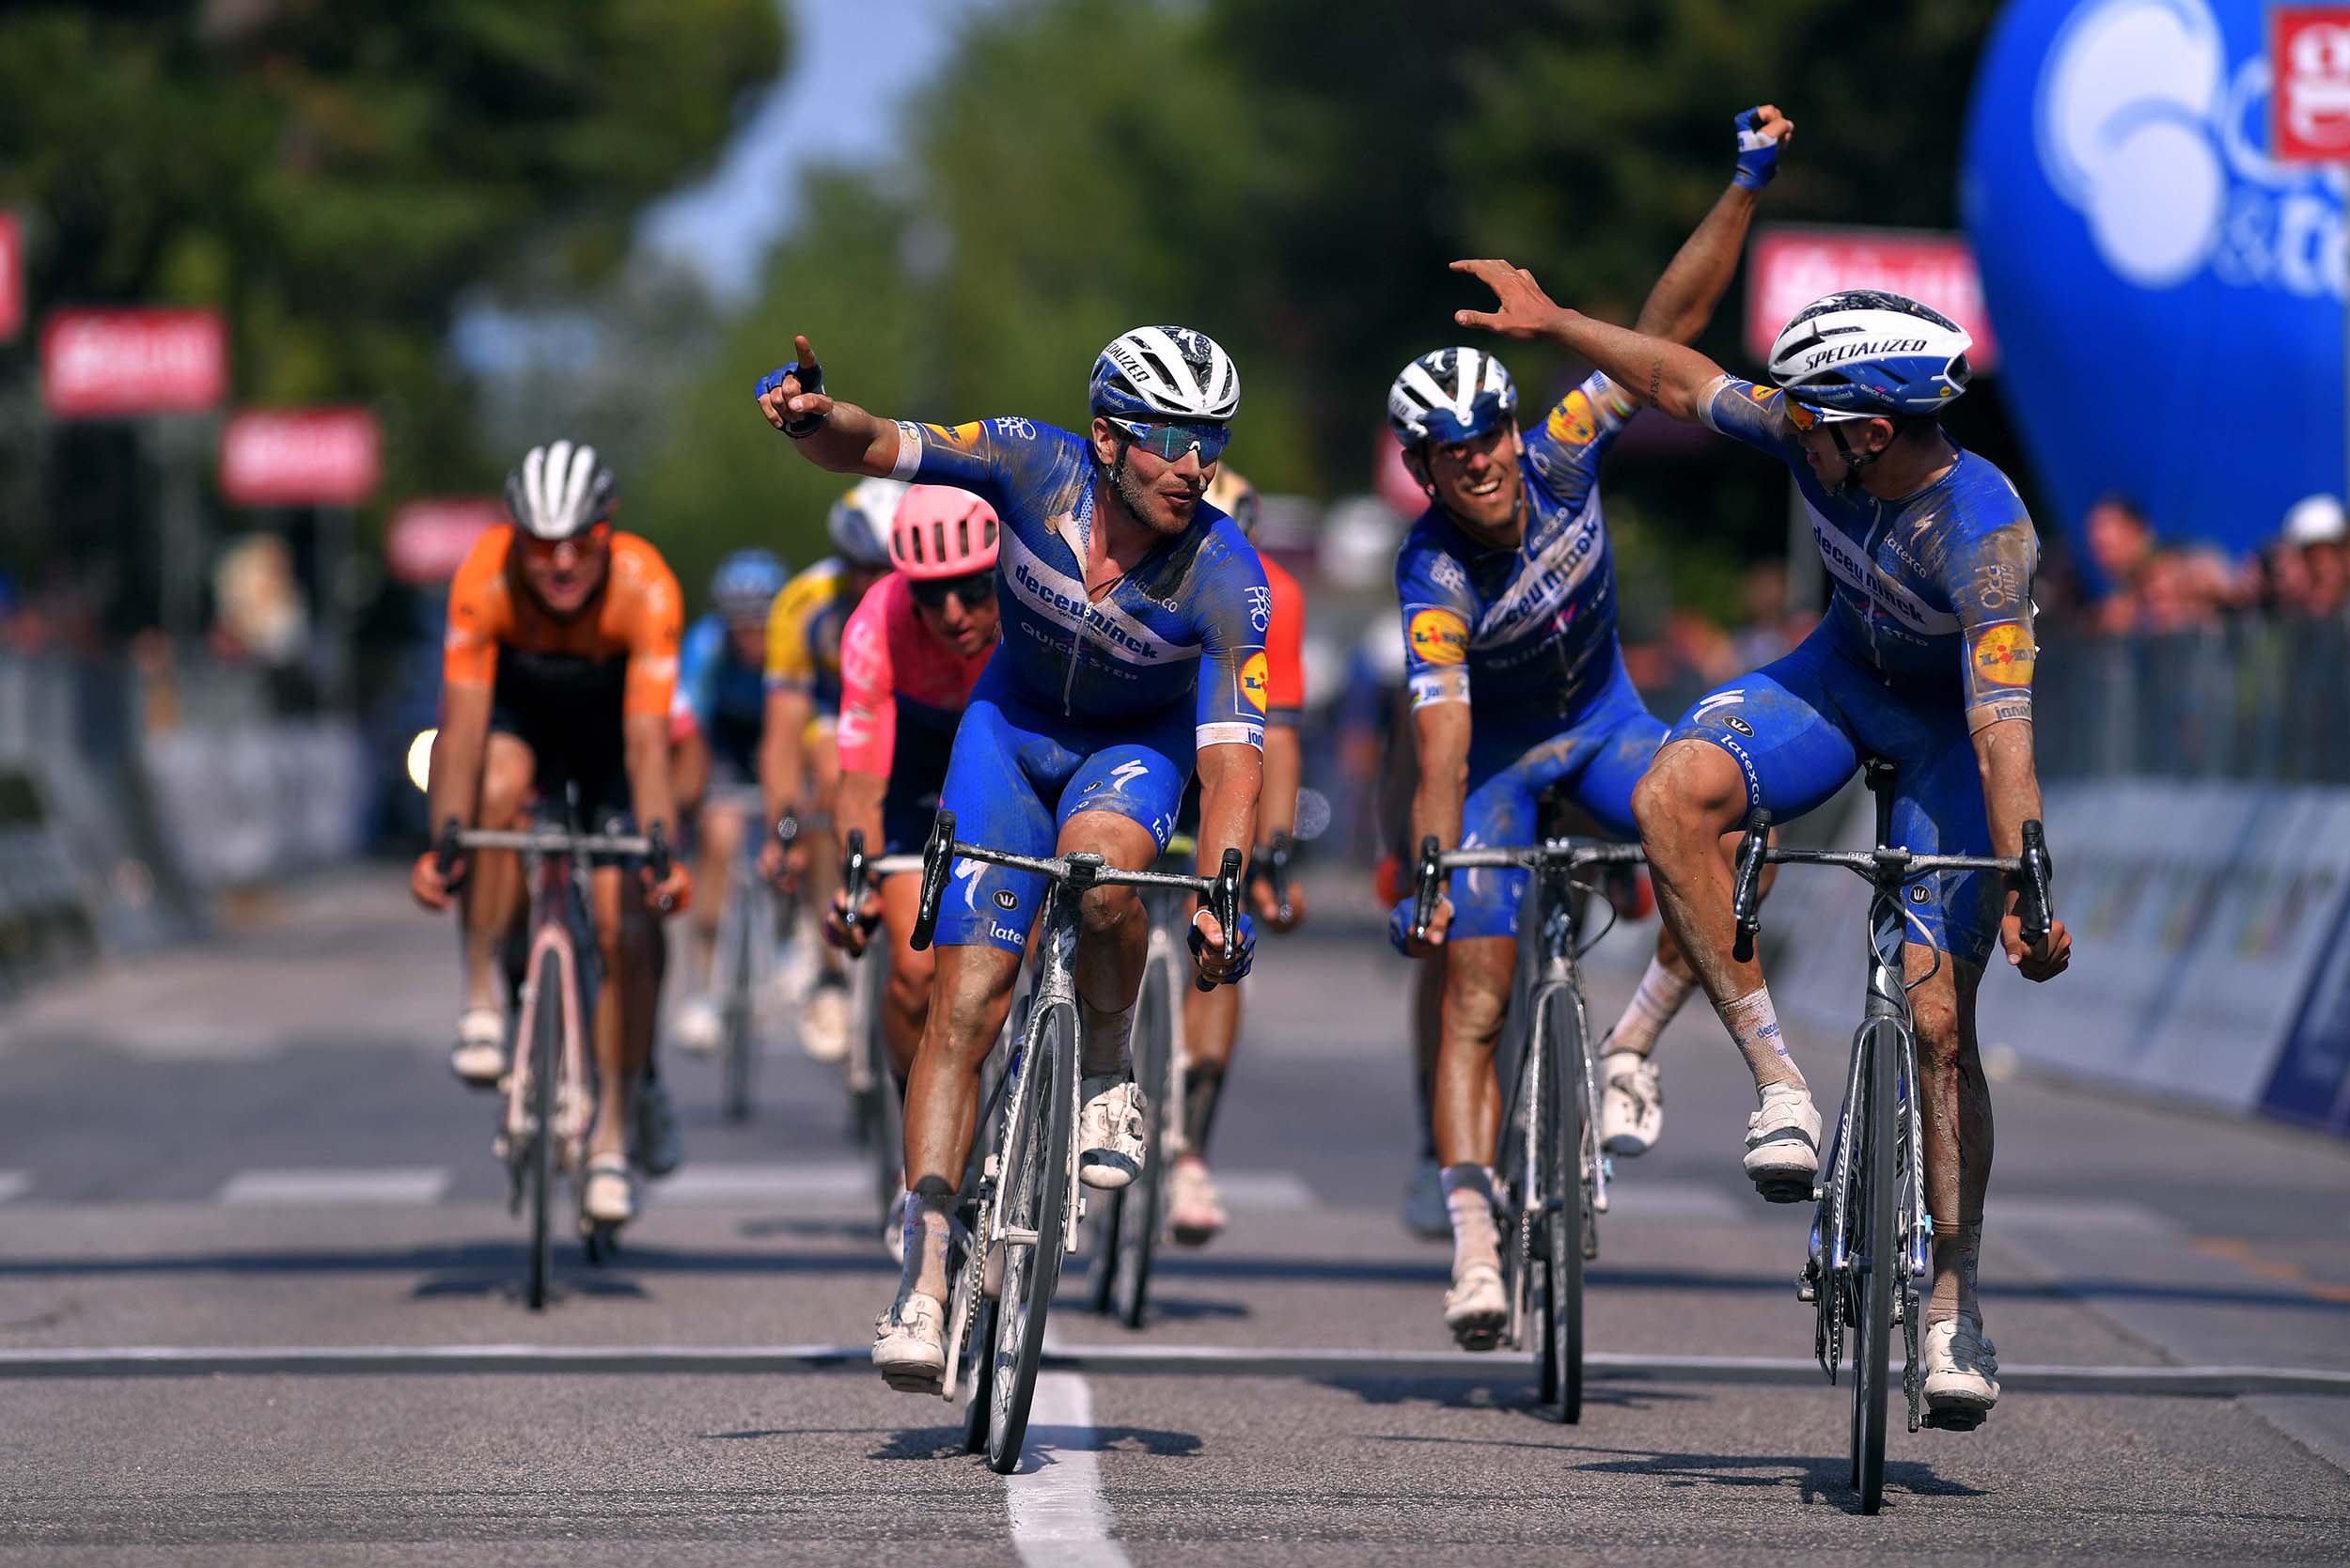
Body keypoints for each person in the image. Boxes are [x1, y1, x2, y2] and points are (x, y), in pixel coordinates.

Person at [1452, 268, 2075, 1426]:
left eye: (1809, 416)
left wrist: (2026, 886)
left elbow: (2003, 737)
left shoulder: (1987, 537)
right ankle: (1779, 1084)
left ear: (1870, 432)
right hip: (1835, 680)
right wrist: (1559, 321)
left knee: (1939, 1027)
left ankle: (1953, 1302)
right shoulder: (1814, 431)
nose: (1789, 423)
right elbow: (1678, 379)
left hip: (1950, 734)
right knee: (1669, 794)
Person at [754, 323, 1264, 1391]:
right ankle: (925, 1269)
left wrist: (1225, 887)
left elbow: (1231, 763)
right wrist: (814, 420)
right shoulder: (1032, 461)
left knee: (1104, 873)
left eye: (1211, 439)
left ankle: (1108, 1064)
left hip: (1134, 749)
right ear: (1107, 436)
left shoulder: (1228, 574)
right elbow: (878, 444)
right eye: (1171, 437)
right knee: (966, 997)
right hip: (1008, 731)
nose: (1195, 464)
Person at [1386, 106, 1792, 1350]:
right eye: (1450, 455)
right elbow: (1442, 743)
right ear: (1421, 471)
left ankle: (1631, 1046)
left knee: (1734, 839)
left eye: (1489, 437)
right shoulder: (1431, 575)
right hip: (1500, 764)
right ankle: (1471, 1237)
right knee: (1475, 991)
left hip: (1607, 722)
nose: (1480, 464)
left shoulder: (1561, 453)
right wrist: (1434, 867)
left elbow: (1665, 338)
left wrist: (1744, 184)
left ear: (1513, 430)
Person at [409, 441, 695, 1227]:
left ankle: (613, 1136)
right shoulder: (484, 575)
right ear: (515, 539)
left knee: (623, 925)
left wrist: (661, 851)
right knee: (496, 792)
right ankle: (480, 997)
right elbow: (462, 731)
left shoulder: (646, 585)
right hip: (520, 721)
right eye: (540, 545)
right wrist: (444, 845)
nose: (562, 562)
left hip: (612, 737)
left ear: (609, 530)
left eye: (582, 542)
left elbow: (648, 743)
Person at [823, 483, 1004, 1254]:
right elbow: (861, 780)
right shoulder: (877, 623)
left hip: (1012, 746)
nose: (954, 613)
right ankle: (920, 1122)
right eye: (933, 596)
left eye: (973, 590)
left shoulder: (1038, 599)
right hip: (918, 767)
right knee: (911, 969)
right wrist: (856, 879)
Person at [1163, 466, 1310, 1246]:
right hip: (1149, 748)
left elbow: (1274, 736)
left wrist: (1274, 857)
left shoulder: (1271, 595)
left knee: (1222, 928)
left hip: (1222, 771)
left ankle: (1189, 1152)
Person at [756, 480, 900, 1061]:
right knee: (830, 770)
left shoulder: (940, 598)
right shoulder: (804, 603)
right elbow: (781, 733)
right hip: (833, 713)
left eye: (890, 569)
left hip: (904, 709)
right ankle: (828, 968)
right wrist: (783, 828)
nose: (877, 584)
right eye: (863, 569)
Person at [671, 549, 791, 1055]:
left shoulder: (792, 646)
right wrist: (691, 799)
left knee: (796, 824)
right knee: (719, 836)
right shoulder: (705, 646)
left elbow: (799, 733)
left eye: (760, 625)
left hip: (778, 740)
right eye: (740, 626)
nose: (750, 637)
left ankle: (793, 936)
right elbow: (691, 729)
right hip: (722, 745)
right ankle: (704, 984)